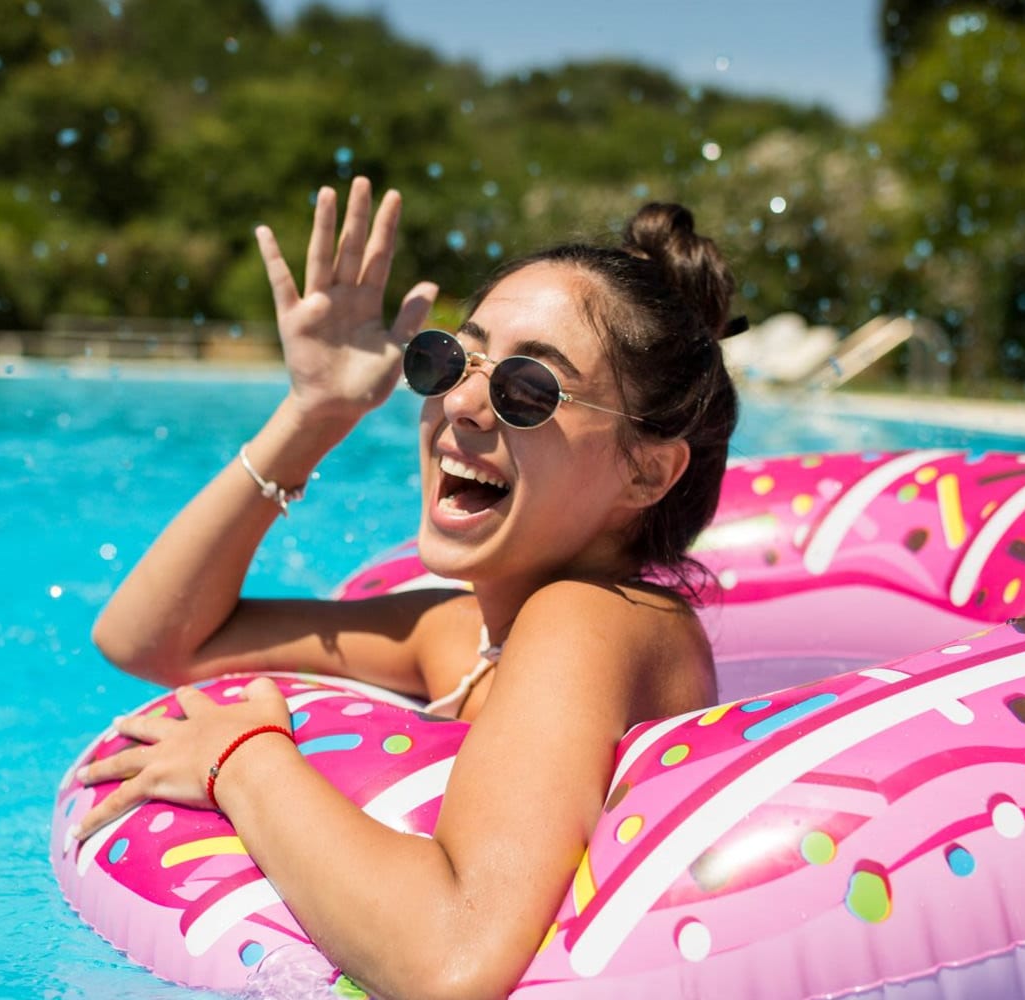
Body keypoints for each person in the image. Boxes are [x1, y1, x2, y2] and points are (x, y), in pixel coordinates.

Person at [69, 176, 740, 999]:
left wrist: (241, 762)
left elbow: (450, 960)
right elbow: (150, 641)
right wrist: (313, 413)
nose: (459, 402)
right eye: (449, 357)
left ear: (647, 470)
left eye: (527, 390)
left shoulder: (591, 619)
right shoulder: (460, 635)